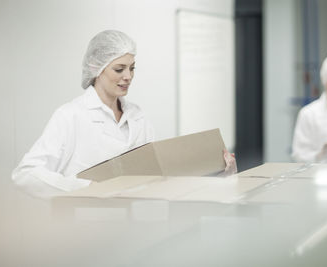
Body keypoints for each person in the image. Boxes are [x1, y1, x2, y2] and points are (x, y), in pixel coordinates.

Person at [12, 30, 237, 198]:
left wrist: (218, 174)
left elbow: (157, 176)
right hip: (84, 229)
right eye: (119, 69)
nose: (128, 76)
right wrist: (87, 188)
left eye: (132, 68)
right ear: (96, 68)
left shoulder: (137, 115)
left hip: (135, 226)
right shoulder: (71, 115)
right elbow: (26, 174)